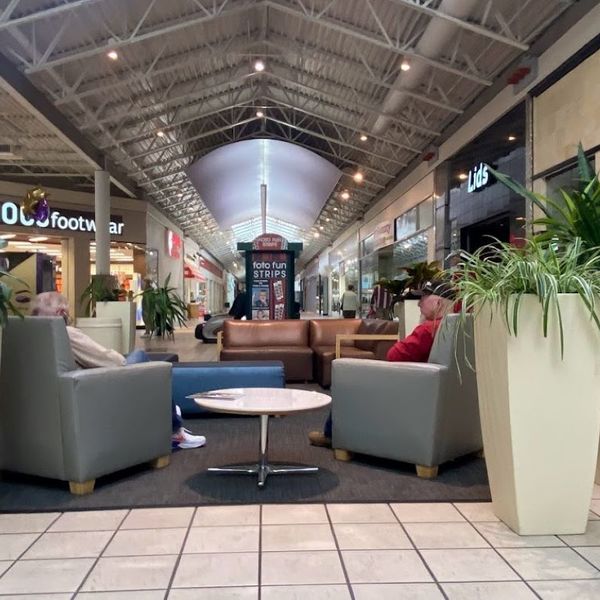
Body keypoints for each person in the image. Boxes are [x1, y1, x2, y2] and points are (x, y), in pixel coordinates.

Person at [31, 292, 206, 450]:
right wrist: (120, 358)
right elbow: (112, 361)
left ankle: (170, 414)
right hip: (90, 391)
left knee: (135, 359)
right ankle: (175, 431)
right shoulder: (66, 333)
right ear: (61, 313)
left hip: (63, 396)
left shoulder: (31, 335)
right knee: (141, 357)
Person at [308, 279, 456, 448]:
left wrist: (420, 324)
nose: (419, 303)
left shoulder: (427, 329)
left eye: (424, 298)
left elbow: (394, 355)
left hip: (410, 385)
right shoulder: (456, 325)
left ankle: (331, 435)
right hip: (423, 385)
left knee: (348, 378)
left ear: (438, 302)